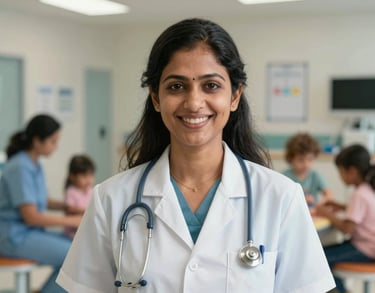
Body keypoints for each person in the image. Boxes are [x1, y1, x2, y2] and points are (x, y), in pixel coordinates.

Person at [57, 18, 335, 292]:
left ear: (235, 96)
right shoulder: (111, 200)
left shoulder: (281, 198)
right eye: (176, 86)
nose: (193, 102)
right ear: (156, 97)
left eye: (211, 85)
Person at [0, 114, 81, 293]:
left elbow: (39, 200)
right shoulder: (20, 166)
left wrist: (67, 207)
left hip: (27, 232)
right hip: (13, 236)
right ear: (37, 141)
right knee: (74, 256)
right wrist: (72, 221)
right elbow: (31, 216)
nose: (55, 147)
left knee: (77, 246)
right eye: (52, 141)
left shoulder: (33, 164)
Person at [315, 144, 375, 293]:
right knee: (322, 254)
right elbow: (362, 212)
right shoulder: (367, 189)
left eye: (340, 171)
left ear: (352, 171)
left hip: (366, 248)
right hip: (369, 245)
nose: (340, 176)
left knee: (319, 259)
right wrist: (340, 206)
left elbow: (348, 229)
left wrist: (326, 213)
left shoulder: (359, 193)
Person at [283, 132, 332, 207]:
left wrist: (322, 201)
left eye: (310, 159)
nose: (306, 164)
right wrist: (301, 199)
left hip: (313, 214)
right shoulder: (285, 177)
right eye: (300, 160)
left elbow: (328, 193)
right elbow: (283, 199)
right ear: (291, 159)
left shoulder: (315, 176)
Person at [63, 154, 95, 239]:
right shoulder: (71, 191)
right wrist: (86, 211)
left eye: (90, 175)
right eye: (84, 176)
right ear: (72, 177)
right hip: (73, 232)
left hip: (87, 228)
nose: (88, 179)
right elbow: (69, 209)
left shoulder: (91, 191)